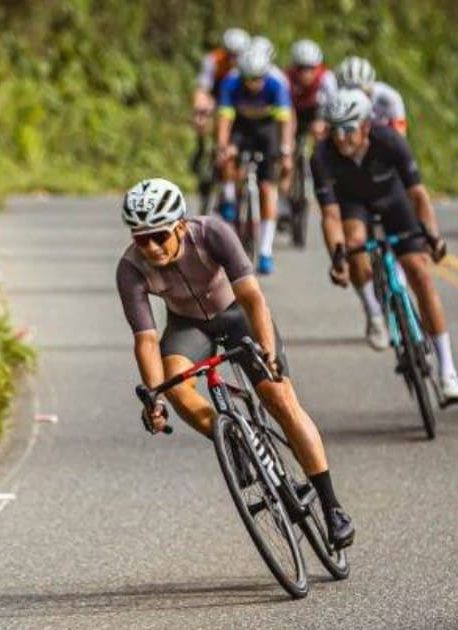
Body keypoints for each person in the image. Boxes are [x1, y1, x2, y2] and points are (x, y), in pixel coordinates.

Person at [116, 177, 355, 548]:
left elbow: (252, 297)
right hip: (188, 326)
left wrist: (267, 352)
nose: (150, 247)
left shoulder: (212, 232)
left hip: (236, 313)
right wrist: (155, 397)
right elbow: (146, 340)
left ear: (179, 225)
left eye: (158, 236)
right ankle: (232, 439)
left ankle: (332, 506)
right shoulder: (130, 268)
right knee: (176, 387)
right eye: (140, 238)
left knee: (280, 399)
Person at [313, 89, 458, 402]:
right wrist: (338, 257)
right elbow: (330, 215)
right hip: (354, 203)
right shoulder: (321, 155)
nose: (340, 139)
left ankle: (448, 369)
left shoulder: (390, 141)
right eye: (334, 130)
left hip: (393, 200)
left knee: (418, 272)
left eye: (347, 129)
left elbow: (418, 195)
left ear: (366, 126)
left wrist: (433, 235)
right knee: (355, 243)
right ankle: (375, 313)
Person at [215, 45, 294, 274]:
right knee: (229, 154)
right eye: (249, 79)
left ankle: (266, 250)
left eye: (258, 79)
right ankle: (233, 197)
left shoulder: (275, 85)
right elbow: (224, 120)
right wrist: (223, 147)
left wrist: (286, 151)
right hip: (242, 128)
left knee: (267, 188)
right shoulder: (231, 83)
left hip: (266, 131)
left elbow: (285, 122)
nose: (253, 84)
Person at [192, 28, 252, 196]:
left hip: (239, 102)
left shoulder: (251, 63)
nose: (234, 59)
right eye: (230, 54)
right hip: (218, 97)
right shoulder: (213, 60)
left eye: (237, 55)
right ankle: (202, 148)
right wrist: (200, 110)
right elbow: (203, 89)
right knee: (203, 117)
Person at [335, 56, 408, 135]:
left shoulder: (389, 97)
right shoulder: (336, 97)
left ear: (370, 85)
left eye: (360, 91)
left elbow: (400, 135)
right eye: (350, 92)